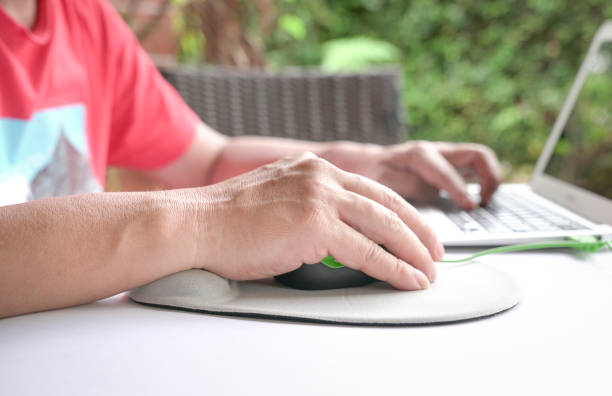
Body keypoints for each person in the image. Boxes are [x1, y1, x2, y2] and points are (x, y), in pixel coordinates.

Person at [0, 0, 501, 318]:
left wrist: (351, 167)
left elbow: (207, 161)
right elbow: (211, 197)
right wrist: (207, 223)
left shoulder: (80, 17)